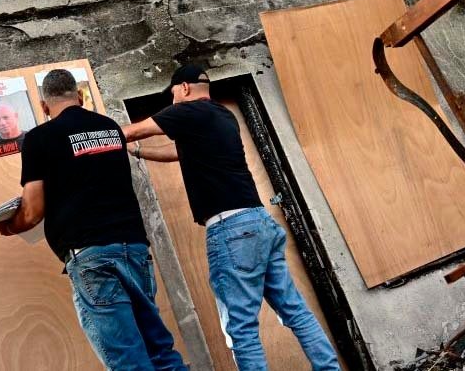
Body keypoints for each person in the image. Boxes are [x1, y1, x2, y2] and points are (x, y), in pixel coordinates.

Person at [122, 64, 339, 371]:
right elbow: (181, 154)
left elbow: (129, 131)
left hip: (231, 230)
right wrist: (142, 155)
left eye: (172, 95)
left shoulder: (187, 112)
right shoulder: (224, 117)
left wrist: (90, 138)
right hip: (259, 221)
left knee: (241, 329)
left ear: (184, 88)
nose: (172, 103)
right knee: (296, 312)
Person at [0, 69, 187, 371]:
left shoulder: (39, 138)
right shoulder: (109, 128)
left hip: (92, 256)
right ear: (79, 97)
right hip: (134, 248)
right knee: (159, 349)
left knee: (128, 360)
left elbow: (32, 211)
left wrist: (9, 226)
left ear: (44, 106)